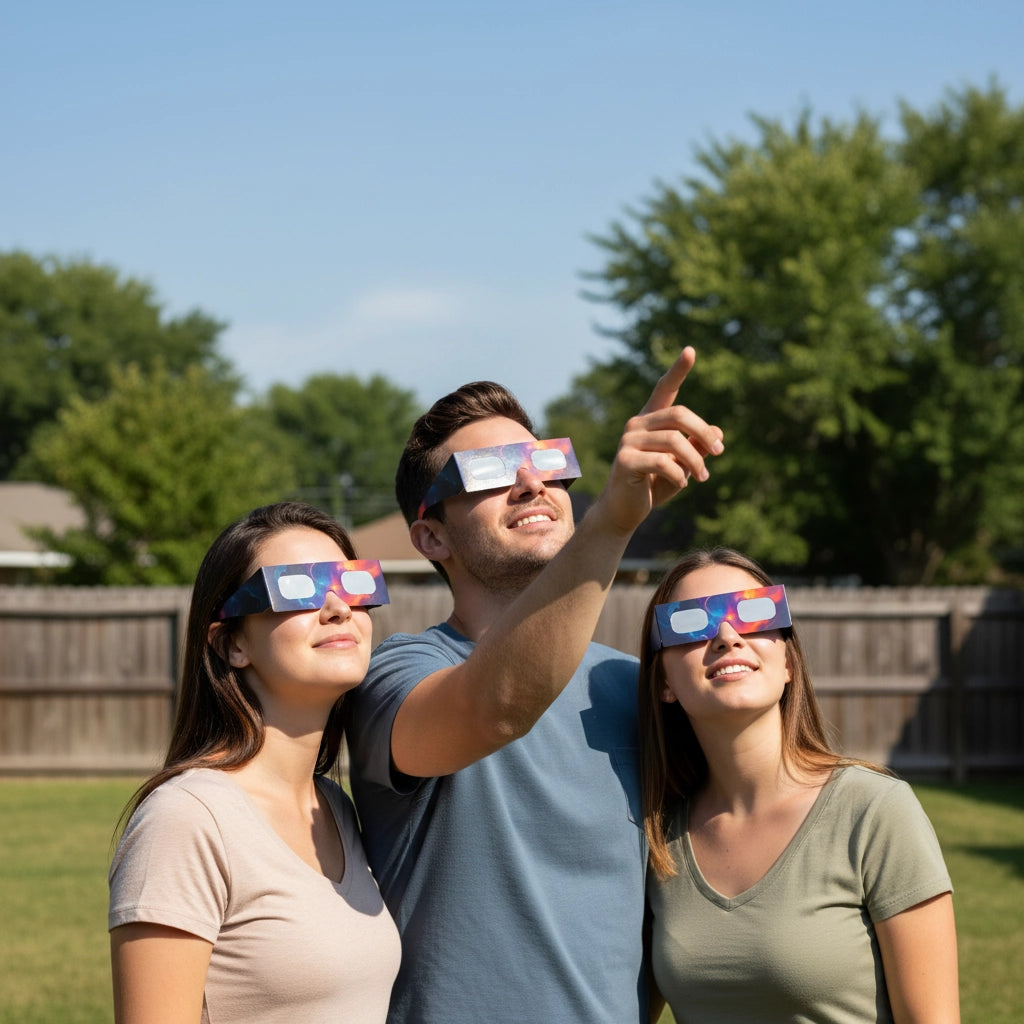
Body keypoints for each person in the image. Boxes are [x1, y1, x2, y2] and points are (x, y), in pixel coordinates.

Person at [346, 347, 724, 1024]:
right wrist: (612, 521)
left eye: (547, 461)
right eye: (488, 473)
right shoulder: (394, 676)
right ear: (430, 537)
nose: (531, 483)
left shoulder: (638, 689)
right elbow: (495, 708)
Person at [638, 546, 960, 1024]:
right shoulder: (657, 838)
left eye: (753, 612)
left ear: (788, 661)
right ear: (663, 680)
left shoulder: (874, 810)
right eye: (689, 622)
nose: (728, 635)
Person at [108, 501, 401, 1024]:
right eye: (297, 588)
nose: (338, 608)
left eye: (354, 583)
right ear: (232, 643)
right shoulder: (187, 820)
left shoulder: (334, 806)